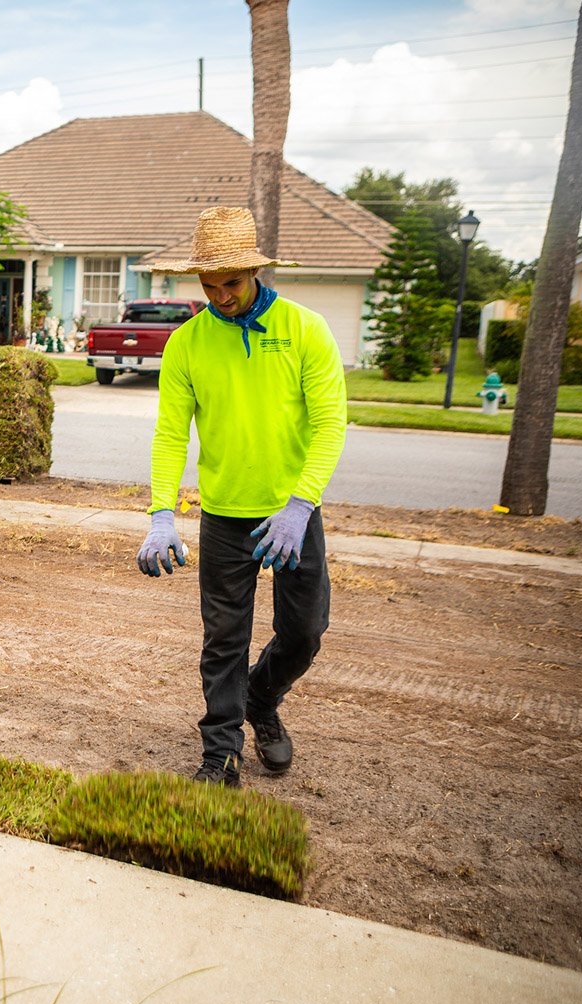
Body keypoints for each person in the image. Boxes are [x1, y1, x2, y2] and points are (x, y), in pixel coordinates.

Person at [136, 206, 347, 788]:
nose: (220, 295)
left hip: (291, 515)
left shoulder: (305, 329)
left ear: (254, 271)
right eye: (209, 285)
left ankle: (262, 697)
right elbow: (170, 433)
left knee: (304, 632)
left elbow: (331, 424)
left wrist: (301, 505)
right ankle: (220, 754)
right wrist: (161, 512)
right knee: (224, 638)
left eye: (230, 282)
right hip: (225, 518)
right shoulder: (187, 344)